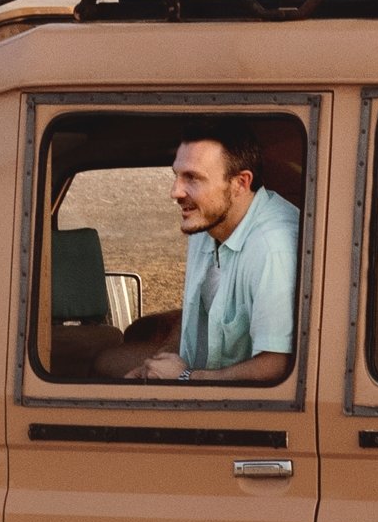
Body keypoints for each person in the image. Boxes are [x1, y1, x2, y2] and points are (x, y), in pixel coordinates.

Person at [93, 133, 296, 384]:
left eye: (192, 178)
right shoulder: (207, 223)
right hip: (203, 382)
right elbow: (194, 311)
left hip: (244, 409)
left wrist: (188, 378)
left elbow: (277, 367)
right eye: (176, 175)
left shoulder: (272, 248)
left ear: (240, 183)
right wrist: (159, 363)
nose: (175, 192)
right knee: (106, 362)